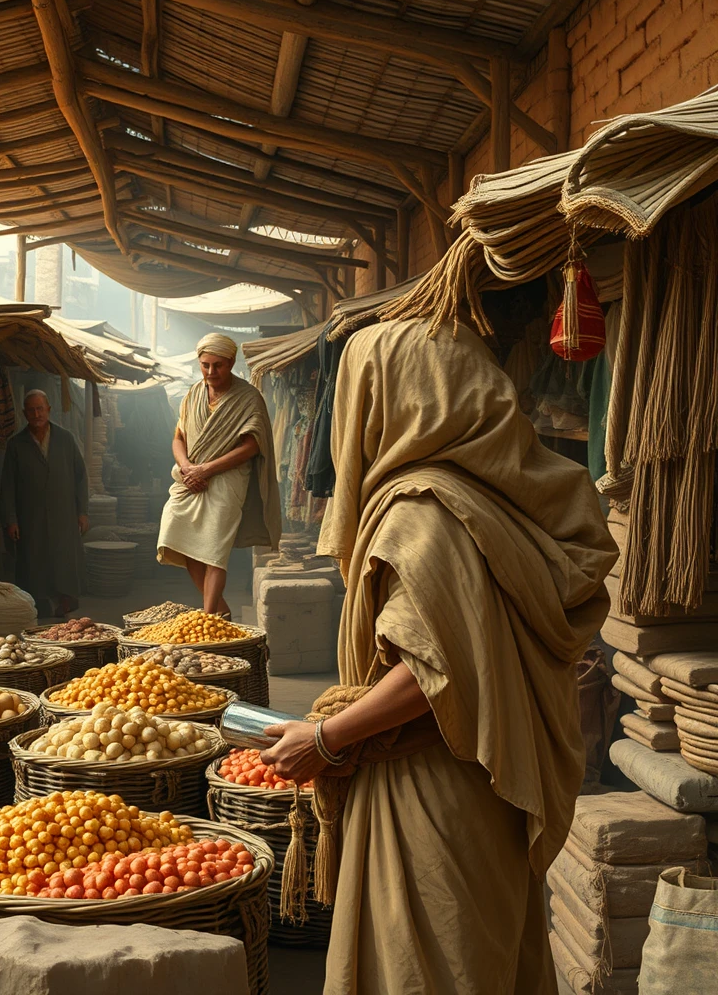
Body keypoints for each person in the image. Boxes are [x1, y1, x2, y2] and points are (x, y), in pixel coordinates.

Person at [261, 315, 617, 995]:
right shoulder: (495, 500)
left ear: (391, 399)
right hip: (483, 785)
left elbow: (433, 673)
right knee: (478, 959)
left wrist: (329, 739)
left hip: (430, 787)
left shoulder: (421, 515)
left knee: (428, 968)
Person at [157, 333, 281, 616]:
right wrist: (188, 467)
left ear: (231, 362)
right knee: (178, 537)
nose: (211, 372)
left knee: (214, 551)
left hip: (228, 479)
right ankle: (222, 612)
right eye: (205, 365)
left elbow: (253, 445)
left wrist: (208, 469)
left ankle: (208, 617)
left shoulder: (249, 397)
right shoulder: (193, 394)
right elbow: (178, 437)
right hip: (190, 476)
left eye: (218, 366)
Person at [0, 389, 89, 618]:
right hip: (31, 515)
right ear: (24, 413)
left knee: (63, 558)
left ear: (48, 409)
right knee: (34, 560)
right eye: (31, 410)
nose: (36, 413)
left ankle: (65, 601)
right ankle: (40, 606)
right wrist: (11, 519)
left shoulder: (65, 439)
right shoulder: (16, 444)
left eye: (40, 408)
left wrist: (83, 512)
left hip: (64, 512)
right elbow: (7, 485)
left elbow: (81, 477)